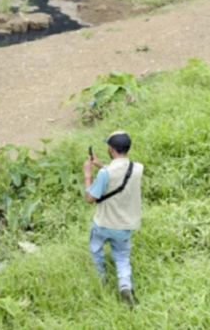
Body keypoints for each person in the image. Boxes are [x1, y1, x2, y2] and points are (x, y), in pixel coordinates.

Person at [83, 131, 144, 307]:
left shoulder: (105, 174)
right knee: (122, 256)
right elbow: (118, 175)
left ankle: (100, 280)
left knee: (96, 249)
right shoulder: (138, 168)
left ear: (111, 149)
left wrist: (88, 174)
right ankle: (125, 285)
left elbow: (90, 198)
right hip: (125, 225)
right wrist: (100, 165)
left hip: (103, 224)